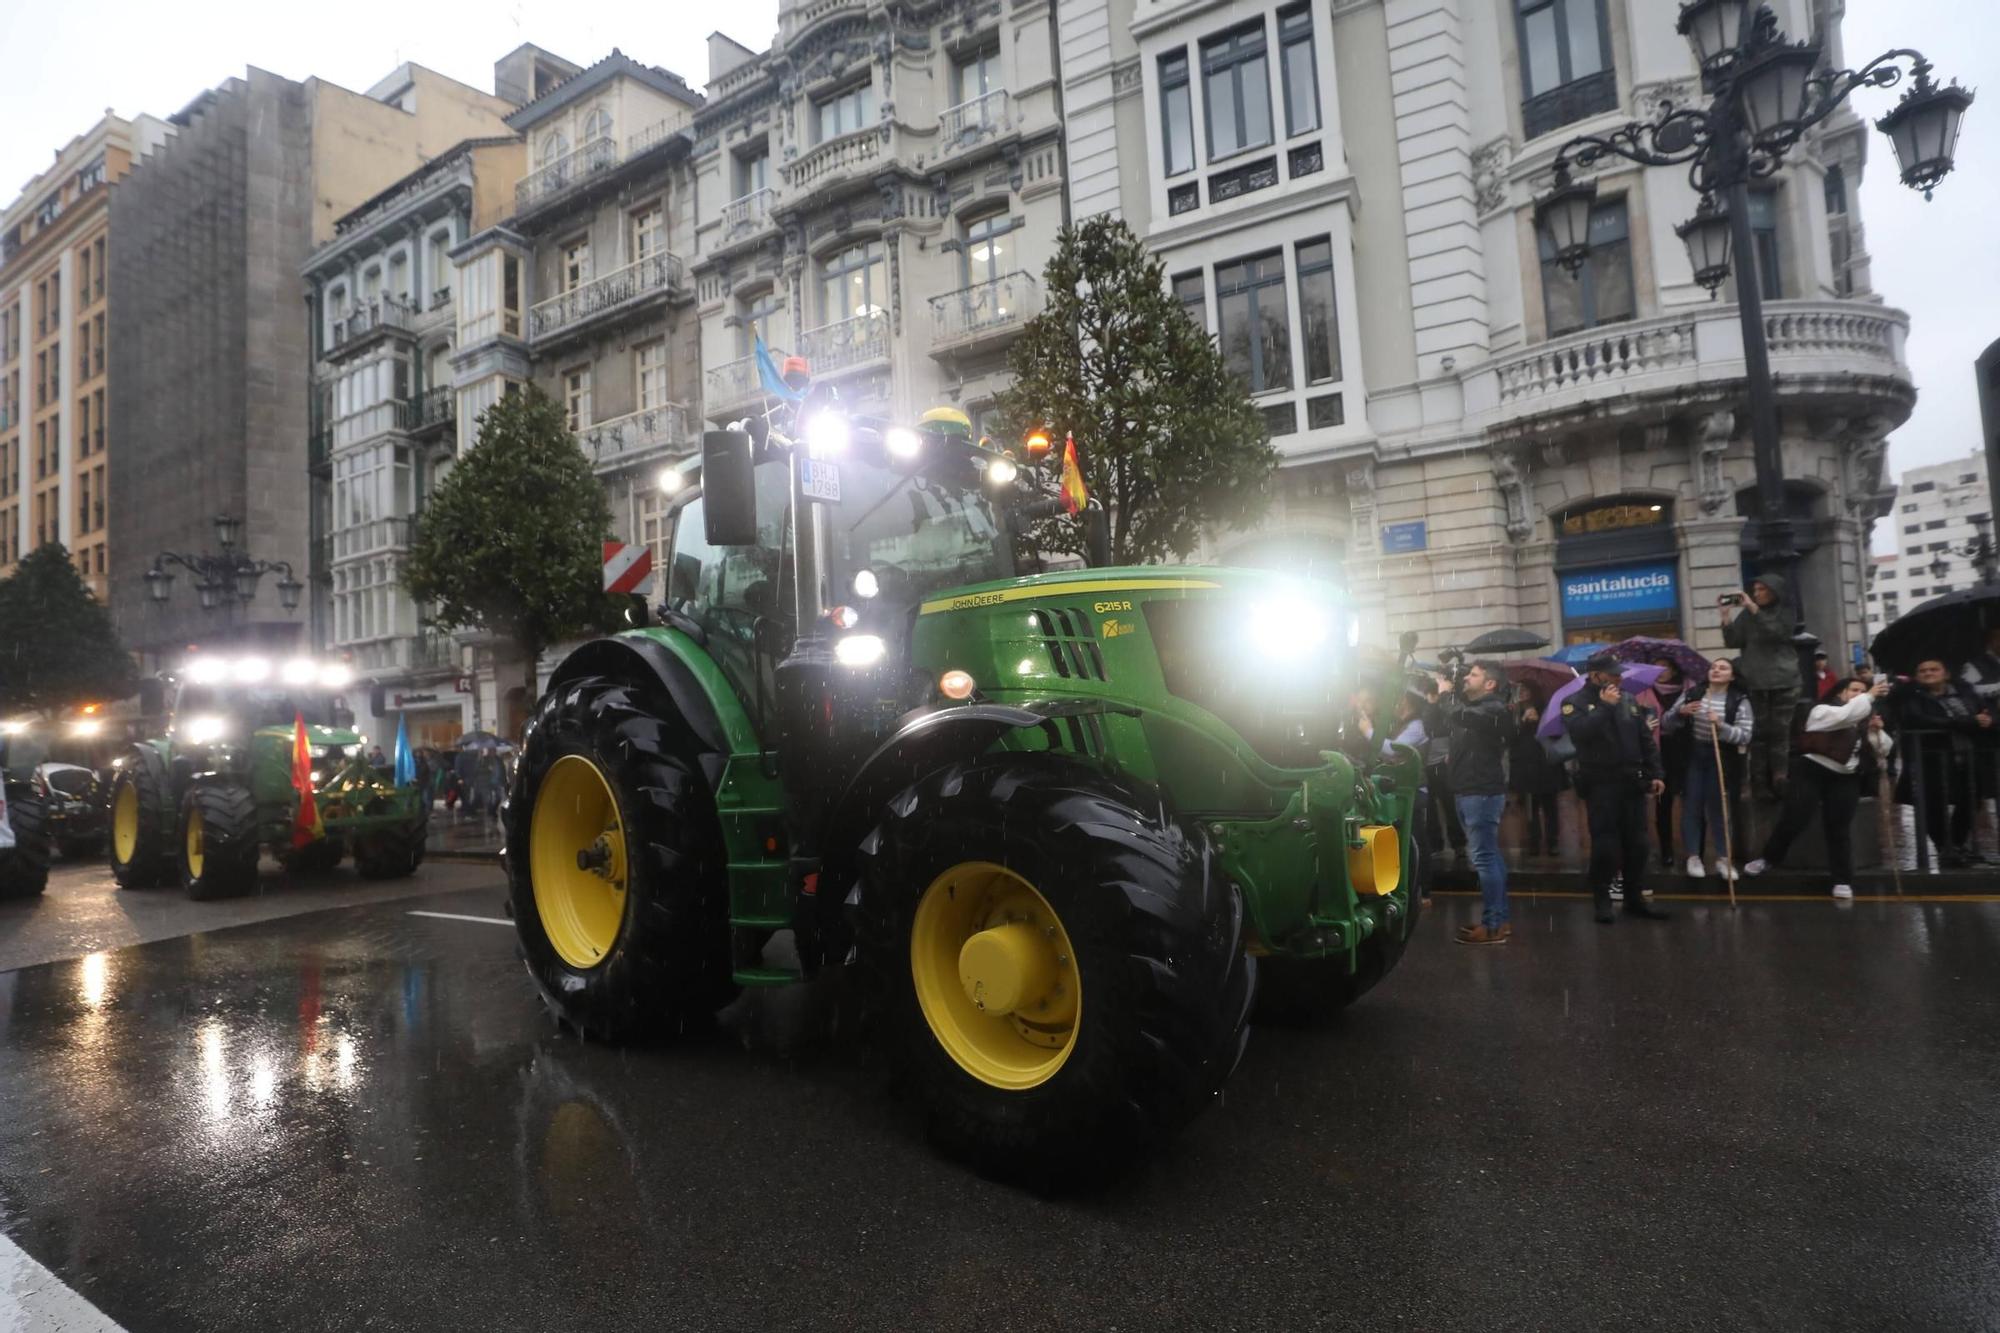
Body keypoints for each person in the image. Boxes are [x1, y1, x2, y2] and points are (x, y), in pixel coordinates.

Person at [1745, 677, 1895, 898]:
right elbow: (1844, 716)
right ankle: (1768, 858)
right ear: (1841, 693)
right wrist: (1870, 696)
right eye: (1854, 690)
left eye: (1862, 691)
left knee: (1839, 827)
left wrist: (1876, 732)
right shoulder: (1822, 711)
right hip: (1813, 770)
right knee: (1795, 817)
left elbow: (1883, 750)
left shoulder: (1865, 719)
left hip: (1846, 777)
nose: (1859, 694)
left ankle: (1842, 879)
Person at [1563, 653, 1672, 924]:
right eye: (1612, 674)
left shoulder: (1628, 699)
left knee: (1638, 844)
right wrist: (1605, 707)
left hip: (1632, 781)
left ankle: (1635, 899)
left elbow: (1645, 740)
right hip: (1601, 782)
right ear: (1596, 675)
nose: (1618, 678)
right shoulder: (1574, 702)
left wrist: (1656, 773)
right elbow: (1581, 733)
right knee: (1606, 846)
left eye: (1619, 673)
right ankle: (1602, 900)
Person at [1434, 661, 1517, 945]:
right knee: (1490, 855)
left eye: (1474, 675)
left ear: (1490, 683)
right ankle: (1500, 920)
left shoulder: (1493, 708)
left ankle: (1492, 926)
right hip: (1468, 790)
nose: (1467, 678)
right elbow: (1442, 724)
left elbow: (1463, 716)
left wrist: (1446, 695)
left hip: (1479, 792)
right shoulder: (1472, 709)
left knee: (1483, 857)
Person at [1890, 660, 1994, 868]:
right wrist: (1962, 722)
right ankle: (1945, 848)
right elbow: (1916, 719)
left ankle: (1954, 845)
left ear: (1946, 673)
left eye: (1934, 669)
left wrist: (1987, 721)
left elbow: (1983, 713)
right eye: (1922, 670)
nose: (1928, 673)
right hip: (1929, 758)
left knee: (1971, 800)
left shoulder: (1966, 692)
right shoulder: (1910, 695)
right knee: (1932, 805)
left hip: (1965, 756)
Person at [1662, 658, 1754, 879]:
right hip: (1693, 756)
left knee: (1719, 809)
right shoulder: (1694, 693)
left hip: (1722, 757)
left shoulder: (1739, 700)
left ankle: (1724, 858)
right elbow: (1666, 722)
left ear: (1732, 676)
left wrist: (1721, 726)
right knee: (1692, 805)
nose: (1716, 670)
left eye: (1723, 668)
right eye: (1713, 667)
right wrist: (1680, 712)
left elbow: (1745, 734)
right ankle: (1693, 857)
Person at [1721, 575, 1801, 803]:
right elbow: (1733, 641)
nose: (1756, 594)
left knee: (1780, 730)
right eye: (1754, 590)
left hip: (1785, 679)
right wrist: (1726, 618)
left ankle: (1779, 777)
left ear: (1774, 591)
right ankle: (1759, 782)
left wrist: (1753, 608)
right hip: (1756, 680)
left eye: (1761, 589)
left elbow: (1777, 633)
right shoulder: (1748, 615)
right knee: (1758, 732)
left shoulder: (1785, 611)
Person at [1509, 699, 1566, 858]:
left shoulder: (1549, 709)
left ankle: (1553, 841)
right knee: (1529, 806)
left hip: (1547, 764)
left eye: (1527, 691)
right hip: (1525, 766)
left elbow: (1558, 733)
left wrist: (1541, 721)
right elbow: (1509, 737)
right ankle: (1533, 840)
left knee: (1550, 806)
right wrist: (1522, 722)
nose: (1524, 695)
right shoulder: (1514, 711)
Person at [1422, 677, 1468, 868]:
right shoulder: (1427, 709)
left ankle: (1458, 844)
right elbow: (1428, 726)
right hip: (1427, 763)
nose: (1430, 697)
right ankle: (1436, 844)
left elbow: (1446, 728)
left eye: (1433, 693)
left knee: (1449, 804)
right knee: (1430, 807)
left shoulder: (1447, 707)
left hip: (1443, 763)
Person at [1649, 657, 1691, 869]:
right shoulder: (1646, 690)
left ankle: (1694, 851)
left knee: (1690, 802)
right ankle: (1666, 849)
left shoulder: (1688, 688)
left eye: (1664, 666)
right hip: (1660, 751)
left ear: (1674, 668)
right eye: (1656, 666)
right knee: (1662, 803)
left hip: (1686, 750)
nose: (1660, 670)